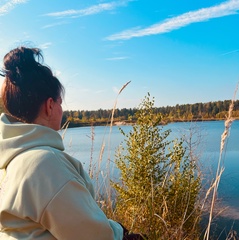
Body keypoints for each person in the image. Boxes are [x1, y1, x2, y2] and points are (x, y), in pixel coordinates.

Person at [0, 46, 144, 240]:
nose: (62, 109)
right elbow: (96, 237)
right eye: (60, 102)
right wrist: (119, 231)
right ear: (50, 105)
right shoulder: (45, 163)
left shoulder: (9, 161)